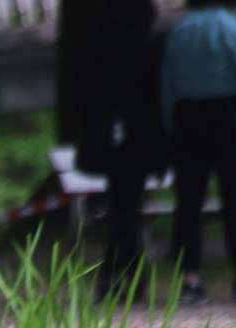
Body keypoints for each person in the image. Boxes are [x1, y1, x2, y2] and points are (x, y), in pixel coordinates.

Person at [160, 0, 236, 301]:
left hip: (187, 117)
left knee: (189, 203)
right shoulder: (235, 26)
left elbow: (167, 85)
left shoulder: (180, 30)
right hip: (227, 114)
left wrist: (172, 127)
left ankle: (190, 279)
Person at [77, 0, 168, 299]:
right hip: (140, 133)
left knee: (122, 205)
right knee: (127, 207)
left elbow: (85, 94)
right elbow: (159, 91)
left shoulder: (95, 41)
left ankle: (128, 274)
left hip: (107, 135)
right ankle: (113, 275)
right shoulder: (150, 41)